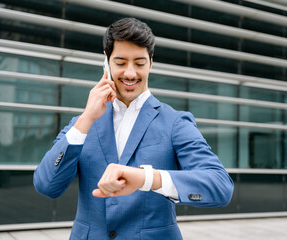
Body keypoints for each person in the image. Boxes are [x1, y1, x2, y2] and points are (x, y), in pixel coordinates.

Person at [33, 17, 234, 240]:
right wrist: (86, 118)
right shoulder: (81, 124)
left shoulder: (175, 122)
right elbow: (46, 185)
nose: (130, 73)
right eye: (120, 63)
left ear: (151, 63)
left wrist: (147, 179)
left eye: (139, 63)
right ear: (106, 61)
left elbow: (220, 186)